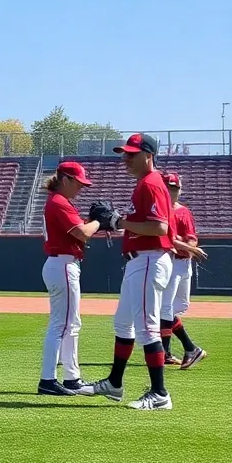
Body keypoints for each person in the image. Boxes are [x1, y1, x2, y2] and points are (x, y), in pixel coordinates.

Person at [81, 134, 174, 410]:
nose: (126, 159)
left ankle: (160, 393)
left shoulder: (152, 183)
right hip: (138, 260)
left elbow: (160, 228)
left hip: (149, 259)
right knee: (123, 323)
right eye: (124, 154)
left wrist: (118, 221)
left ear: (148, 155)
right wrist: (119, 221)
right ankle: (115, 383)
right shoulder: (143, 184)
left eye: (131, 154)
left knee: (147, 328)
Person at [37, 161, 100, 395]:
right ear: (65, 180)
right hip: (62, 263)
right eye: (78, 183)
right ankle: (48, 379)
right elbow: (83, 234)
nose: (81, 188)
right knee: (61, 325)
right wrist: (98, 222)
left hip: (63, 263)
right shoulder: (59, 202)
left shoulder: (60, 201)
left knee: (70, 324)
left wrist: (92, 222)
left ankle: (71, 377)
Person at [160, 172, 207, 369]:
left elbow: (191, 238)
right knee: (165, 309)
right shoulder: (159, 212)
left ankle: (183, 350)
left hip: (182, 263)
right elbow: (166, 239)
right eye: (169, 188)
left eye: (175, 188)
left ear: (180, 190)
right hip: (167, 261)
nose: (172, 192)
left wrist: (190, 246)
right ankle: (172, 352)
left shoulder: (183, 212)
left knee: (177, 307)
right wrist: (189, 247)